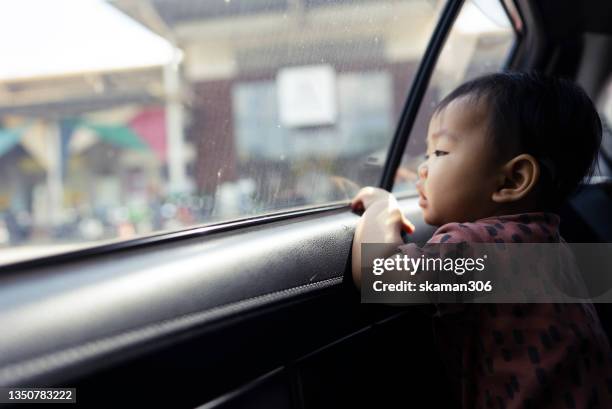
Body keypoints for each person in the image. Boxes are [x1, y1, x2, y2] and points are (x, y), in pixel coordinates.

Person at [351, 72, 612, 408]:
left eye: (440, 153)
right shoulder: (547, 243)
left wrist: (381, 207)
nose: (423, 169)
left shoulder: (481, 247)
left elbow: (381, 276)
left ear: (513, 179)